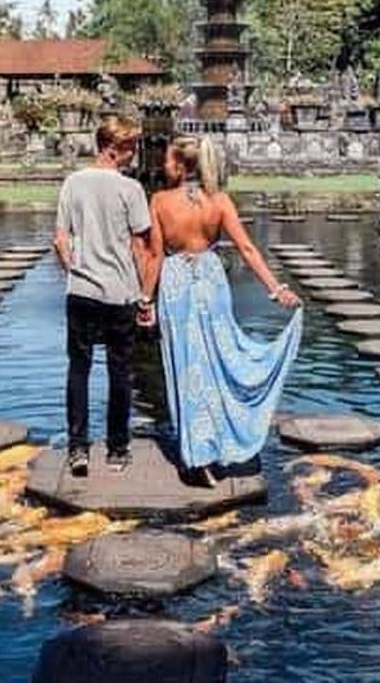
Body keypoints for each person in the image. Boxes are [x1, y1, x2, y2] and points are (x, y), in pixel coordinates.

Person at [143, 136, 302, 486]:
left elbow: (155, 256)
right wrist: (276, 289)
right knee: (216, 361)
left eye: (168, 160)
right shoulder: (220, 201)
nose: (162, 166)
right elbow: (246, 248)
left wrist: (145, 300)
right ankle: (217, 443)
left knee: (186, 365)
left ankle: (197, 455)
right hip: (212, 279)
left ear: (183, 167)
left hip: (176, 282)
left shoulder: (159, 200)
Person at [53, 115, 151, 477]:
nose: (135, 153)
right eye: (131, 147)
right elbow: (141, 247)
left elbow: (60, 240)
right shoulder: (130, 189)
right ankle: (117, 448)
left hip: (81, 291)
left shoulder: (73, 183)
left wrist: (73, 271)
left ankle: (77, 448)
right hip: (119, 292)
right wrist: (145, 296)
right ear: (114, 148)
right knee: (119, 372)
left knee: (78, 369)